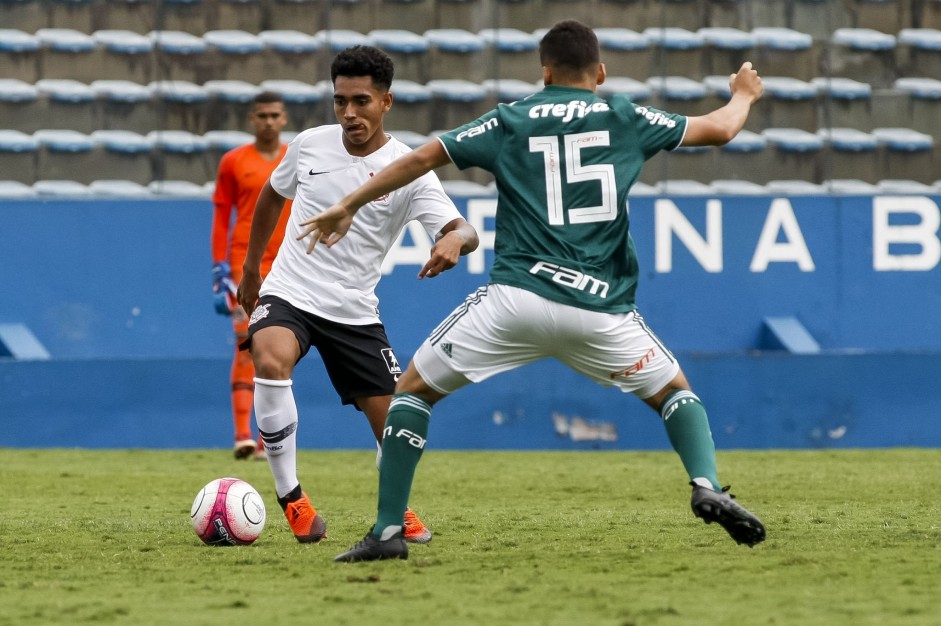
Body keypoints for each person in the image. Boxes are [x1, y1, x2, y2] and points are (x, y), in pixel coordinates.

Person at [299, 20, 768, 562]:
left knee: (412, 392)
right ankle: (706, 483)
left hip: (515, 301)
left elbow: (423, 156)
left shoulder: (511, 119)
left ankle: (386, 532)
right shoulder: (626, 116)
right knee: (674, 393)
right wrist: (743, 94)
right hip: (600, 308)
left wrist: (350, 202)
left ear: (543, 72)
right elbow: (720, 128)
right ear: (600, 73)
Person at [236, 45, 480, 545]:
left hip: (353, 310)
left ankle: (397, 508)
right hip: (290, 291)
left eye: (361, 101)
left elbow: (463, 228)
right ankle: (293, 499)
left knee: (396, 424)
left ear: (386, 102)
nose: (349, 113)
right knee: (270, 355)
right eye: (340, 101)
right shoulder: (309, 145)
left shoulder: (408, 168)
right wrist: (250, 268)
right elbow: (272, 196)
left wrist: (454, 239)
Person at [211, 90, 292, 460]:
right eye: (262, 116)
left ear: (284, 118)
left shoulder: (297, 158)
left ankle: (266, 439)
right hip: (248, 266)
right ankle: (243, 435)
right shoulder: (233, 162)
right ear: (252, 119)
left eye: (274, 115)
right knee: (247, 345)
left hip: (290, 267)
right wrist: (220, 268)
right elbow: (221, 214)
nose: (269, 122)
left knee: (276, 351)